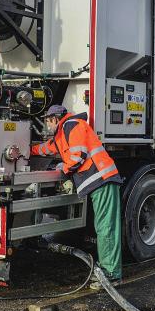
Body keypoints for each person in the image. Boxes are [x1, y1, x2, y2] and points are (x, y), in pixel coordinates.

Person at [30, 105, 122, 288]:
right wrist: (28, 150)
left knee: (106, 228)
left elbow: (78, 155)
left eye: (47, 120)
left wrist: (63, 169)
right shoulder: (61, 134)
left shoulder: (72, 125)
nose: (46, 125)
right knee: (103, 227)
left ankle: (112, 275)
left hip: (102, 179)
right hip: (98, 181)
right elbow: (46, 149)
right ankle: (109, 270)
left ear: (55, 118)